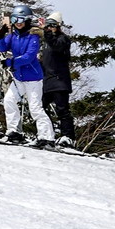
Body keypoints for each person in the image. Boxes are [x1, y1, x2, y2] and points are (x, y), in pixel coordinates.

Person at [0, 4, 56, 147]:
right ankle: (14, 131)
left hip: (33, 78)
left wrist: (11, 62)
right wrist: (0, 35)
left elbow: (29, 57)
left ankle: (47, 137)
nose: (18, 22)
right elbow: (2, 47)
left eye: (21, 19)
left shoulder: (33, 37)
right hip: (19, 78)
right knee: (9, 101)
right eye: (15, 19)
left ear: (27, 20)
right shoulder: (13, 36)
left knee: (35, 108)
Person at [40, 12, 76, 147]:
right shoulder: (46, 44)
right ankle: (45, 133)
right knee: (39, 107)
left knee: (62, 110)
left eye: (52, 25)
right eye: (48, 25)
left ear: (58, 26)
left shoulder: (63, 39)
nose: (50, 28)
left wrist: (45, 31)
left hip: (59, 81)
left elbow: (56, 46)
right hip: (47, 81)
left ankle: (68, 136)